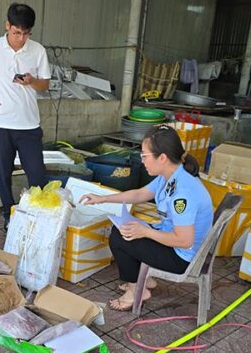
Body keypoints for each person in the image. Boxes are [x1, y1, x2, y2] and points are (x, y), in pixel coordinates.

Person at [80, 125, 213, 311]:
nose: (142, 161)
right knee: (125, 229)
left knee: (120, 237)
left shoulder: (183, 193)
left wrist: (145, 232)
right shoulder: (170, 175)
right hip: (174, 242)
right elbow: (139, 194)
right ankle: (144, 280)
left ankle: (137, 290)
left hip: (182, 258)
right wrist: (102, 198)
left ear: (162, 157)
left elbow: (184, 240)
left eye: (144, 156)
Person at [0, 2, 51, 229]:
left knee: (37, 176)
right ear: (7, 26)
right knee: (3, 174)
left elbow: (45, 85)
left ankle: (39, 217)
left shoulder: (38, 51)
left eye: (26, 34)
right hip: (1, 124)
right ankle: (9, 214)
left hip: (29, 126)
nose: (21, 38)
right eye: (16, 33)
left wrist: (31, 81)